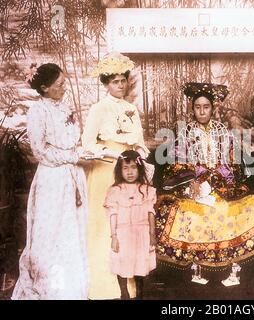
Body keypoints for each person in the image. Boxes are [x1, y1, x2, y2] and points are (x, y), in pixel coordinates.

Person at [156, 82, 254, 271]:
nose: (202, 112)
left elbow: (232, 160)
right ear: (193, 109)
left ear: (212, 108)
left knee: (230, 208)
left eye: (206, 107)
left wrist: (221, 173)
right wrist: (196, 175)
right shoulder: (185, 133)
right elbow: (178, 163)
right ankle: (195, 263)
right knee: (189, 211)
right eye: (198, 107)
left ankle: (230, 262)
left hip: (221, 183)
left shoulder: (223, 132)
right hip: (195, 184)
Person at [12, 63, 88, 299]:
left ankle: (74, 283)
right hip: (52, 178)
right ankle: (50, 285)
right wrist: (72, 156)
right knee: (51, 230)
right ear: (44, 88)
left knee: (72, 228)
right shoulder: (38, 111)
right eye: (59, 85)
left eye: (64, 83)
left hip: (73, 174)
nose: (64, 88)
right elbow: (39, 150)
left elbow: (73, 141)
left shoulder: (65, 108)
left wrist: (82, 153)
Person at [82, 52, 153, 299]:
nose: (120, 85)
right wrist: (114, 153)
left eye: (123, 80)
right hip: (106, 171)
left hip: (130, 171)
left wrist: (141, 157)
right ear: (105, 84)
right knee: (107, 225)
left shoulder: (131, 108)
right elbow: (87, 144)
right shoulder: (98, 109)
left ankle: (130, 284)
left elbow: (141, 142)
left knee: (129, 226)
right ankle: (104, 286)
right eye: (114, 81)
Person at [104, 150, 156, 300]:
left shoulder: (146, 190)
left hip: (141, 232)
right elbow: (113, 214)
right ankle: (124, 293)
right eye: (125, 168)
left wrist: (152, 234)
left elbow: (150, 212)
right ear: (120, 171)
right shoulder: (115, 191)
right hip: (123, 233)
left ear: (139, 169)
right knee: (123, 263)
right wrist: (114, 236)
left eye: (133, 167)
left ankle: (140, 294)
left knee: (140, 264)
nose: (130, 172)